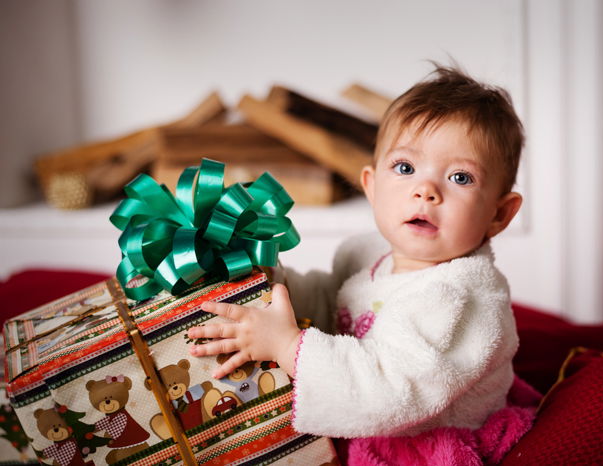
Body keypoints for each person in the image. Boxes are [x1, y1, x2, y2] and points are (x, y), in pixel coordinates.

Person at [187, 63, 539, 464]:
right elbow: (329, 303)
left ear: (499, 214)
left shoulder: (459, 299)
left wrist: (287, 346)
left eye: (460, 177)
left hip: (421, 440)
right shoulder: (369, 254)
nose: (425, 191)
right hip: (365, 409)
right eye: (405, 168)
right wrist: (269, 283)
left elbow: (391, 392)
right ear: (372, 187)